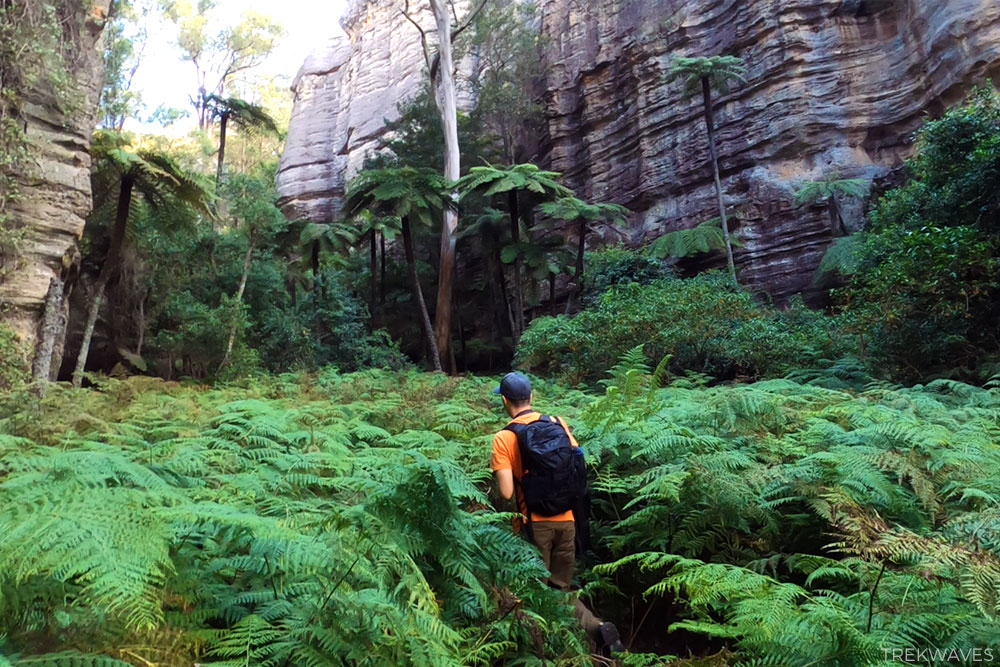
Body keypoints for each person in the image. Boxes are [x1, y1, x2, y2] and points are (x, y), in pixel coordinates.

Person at [490, 371, 625, 655]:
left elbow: (506, 493)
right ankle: (597, 627)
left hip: (534, 527)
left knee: (533, 596)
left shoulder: (504, 437)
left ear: (504, 400)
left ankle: (541, 654)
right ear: (531, 397)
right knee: (560, 589)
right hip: (568, 522)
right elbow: (576, 466)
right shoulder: (557, 423)